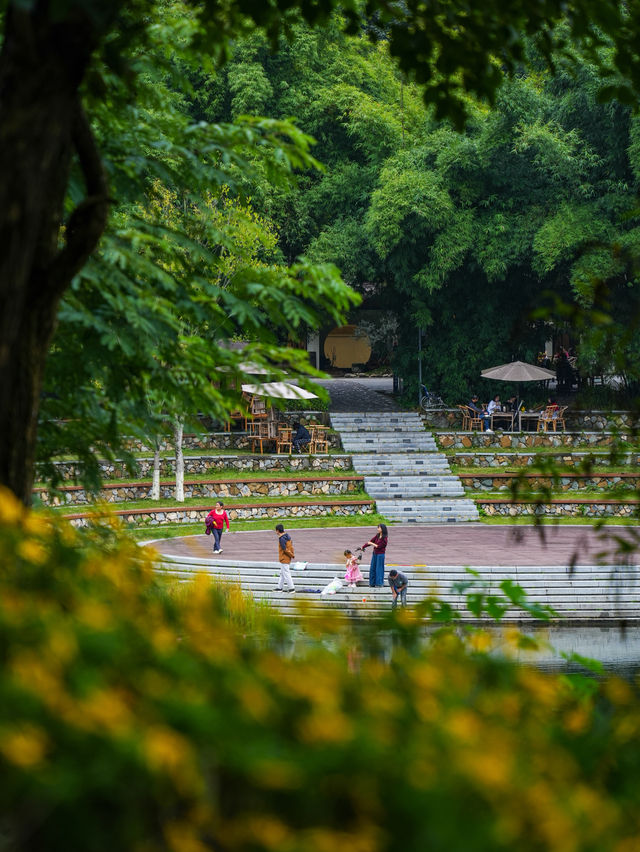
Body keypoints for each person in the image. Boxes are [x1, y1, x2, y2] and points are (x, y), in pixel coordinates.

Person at [275, 523, 295, 593]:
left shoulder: (281, 539)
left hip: (284, 558)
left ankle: (291, 588)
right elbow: (291, 547)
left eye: (276, 530)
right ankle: (279, 587)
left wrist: (291, 555)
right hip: (286, 558)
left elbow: (284, 549)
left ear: (277, 531)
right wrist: (291, 554)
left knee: (286, 573)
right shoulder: (287, 536)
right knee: (282, 573)